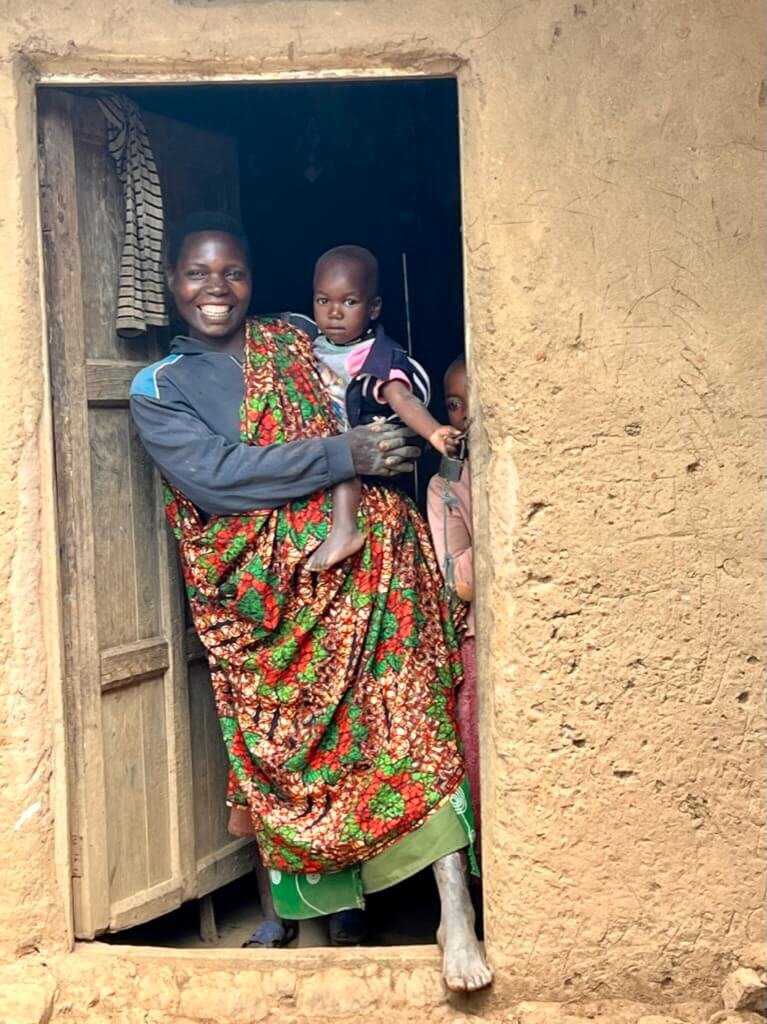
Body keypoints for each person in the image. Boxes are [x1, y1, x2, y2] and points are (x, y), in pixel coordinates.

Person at [129, 212, 492, 991]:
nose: (215, 289)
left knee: (412, 724)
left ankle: (453, 912)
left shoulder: (293, 338)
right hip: (262, 609)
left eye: (232, 273)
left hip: (371, 577)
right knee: (289, 759)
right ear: (170, 282)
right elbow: (216, 480)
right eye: (197, 273)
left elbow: (384, 399)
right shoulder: (158, 388)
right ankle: (321, 933)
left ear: (253, 282)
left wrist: (389, 444)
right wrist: (341, 454)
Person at [306, 245, 462, 571]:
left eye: (349, 302)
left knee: (347, 451)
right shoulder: (306, 344)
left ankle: (345, 528)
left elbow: (403, 399)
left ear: (374, 307)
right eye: (324, 301)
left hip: (357, 445)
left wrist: (434, 433)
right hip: (314, 446)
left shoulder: (379, 356)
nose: (334, 312)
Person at [427, 355, 480, 853]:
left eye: (474, 401)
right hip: (478, 641)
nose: (463, 416)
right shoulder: (445, 486)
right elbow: (460, 582)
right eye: (453, 405)